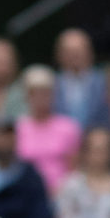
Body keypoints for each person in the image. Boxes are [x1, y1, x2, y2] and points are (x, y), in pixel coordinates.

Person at [15, 64, 82, 193]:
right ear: (27, 96)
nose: (40, 98)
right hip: (27, 194)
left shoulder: (69, 127)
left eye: (45, 93)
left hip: (63, 193)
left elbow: (74, 170)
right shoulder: (18, 128)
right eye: (35, 93)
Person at [52, 27, 108, 128]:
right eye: (70, 51)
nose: (75, 55)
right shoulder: (51, 84)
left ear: (91, 52)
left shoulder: (105, 82)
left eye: (79, 50)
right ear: (58, 55)